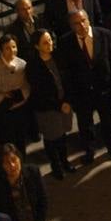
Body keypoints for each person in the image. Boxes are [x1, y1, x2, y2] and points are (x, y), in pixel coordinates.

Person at [60, 8, 111, 163]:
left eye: (83, 20)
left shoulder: (105, 35)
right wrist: (71, 96)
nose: (81, 25)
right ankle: (89, 151)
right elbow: (66, 72)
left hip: (104, 90)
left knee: (108, 122)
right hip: (82, 94)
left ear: (88, 19)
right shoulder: (65, 42)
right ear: (71, 25)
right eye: (77, 23)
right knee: (85, 125)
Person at [26, 29, 76, 180]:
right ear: (37, 46)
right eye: (45, 42)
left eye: (50, 40)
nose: (50, 44)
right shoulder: (33, 66)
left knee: (62, 136)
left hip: (64, 103)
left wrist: (67, 100)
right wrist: (59, 105)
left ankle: (64, 161)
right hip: (48, 108)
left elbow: (68, 79)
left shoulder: (59, 57)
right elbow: (39, 92)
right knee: (52, 138)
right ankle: (56, 166)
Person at [0, 34, 31, 156]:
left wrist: (19, 97)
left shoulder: (22, 64)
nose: (12, 50)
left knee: (21, 140)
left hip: (20, 108)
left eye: (14, 47)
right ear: (1, 50)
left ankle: (22, 162)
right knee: (7, 143)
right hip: (4, 111)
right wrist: (4, 98)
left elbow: (27, 86)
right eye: (7, 48)